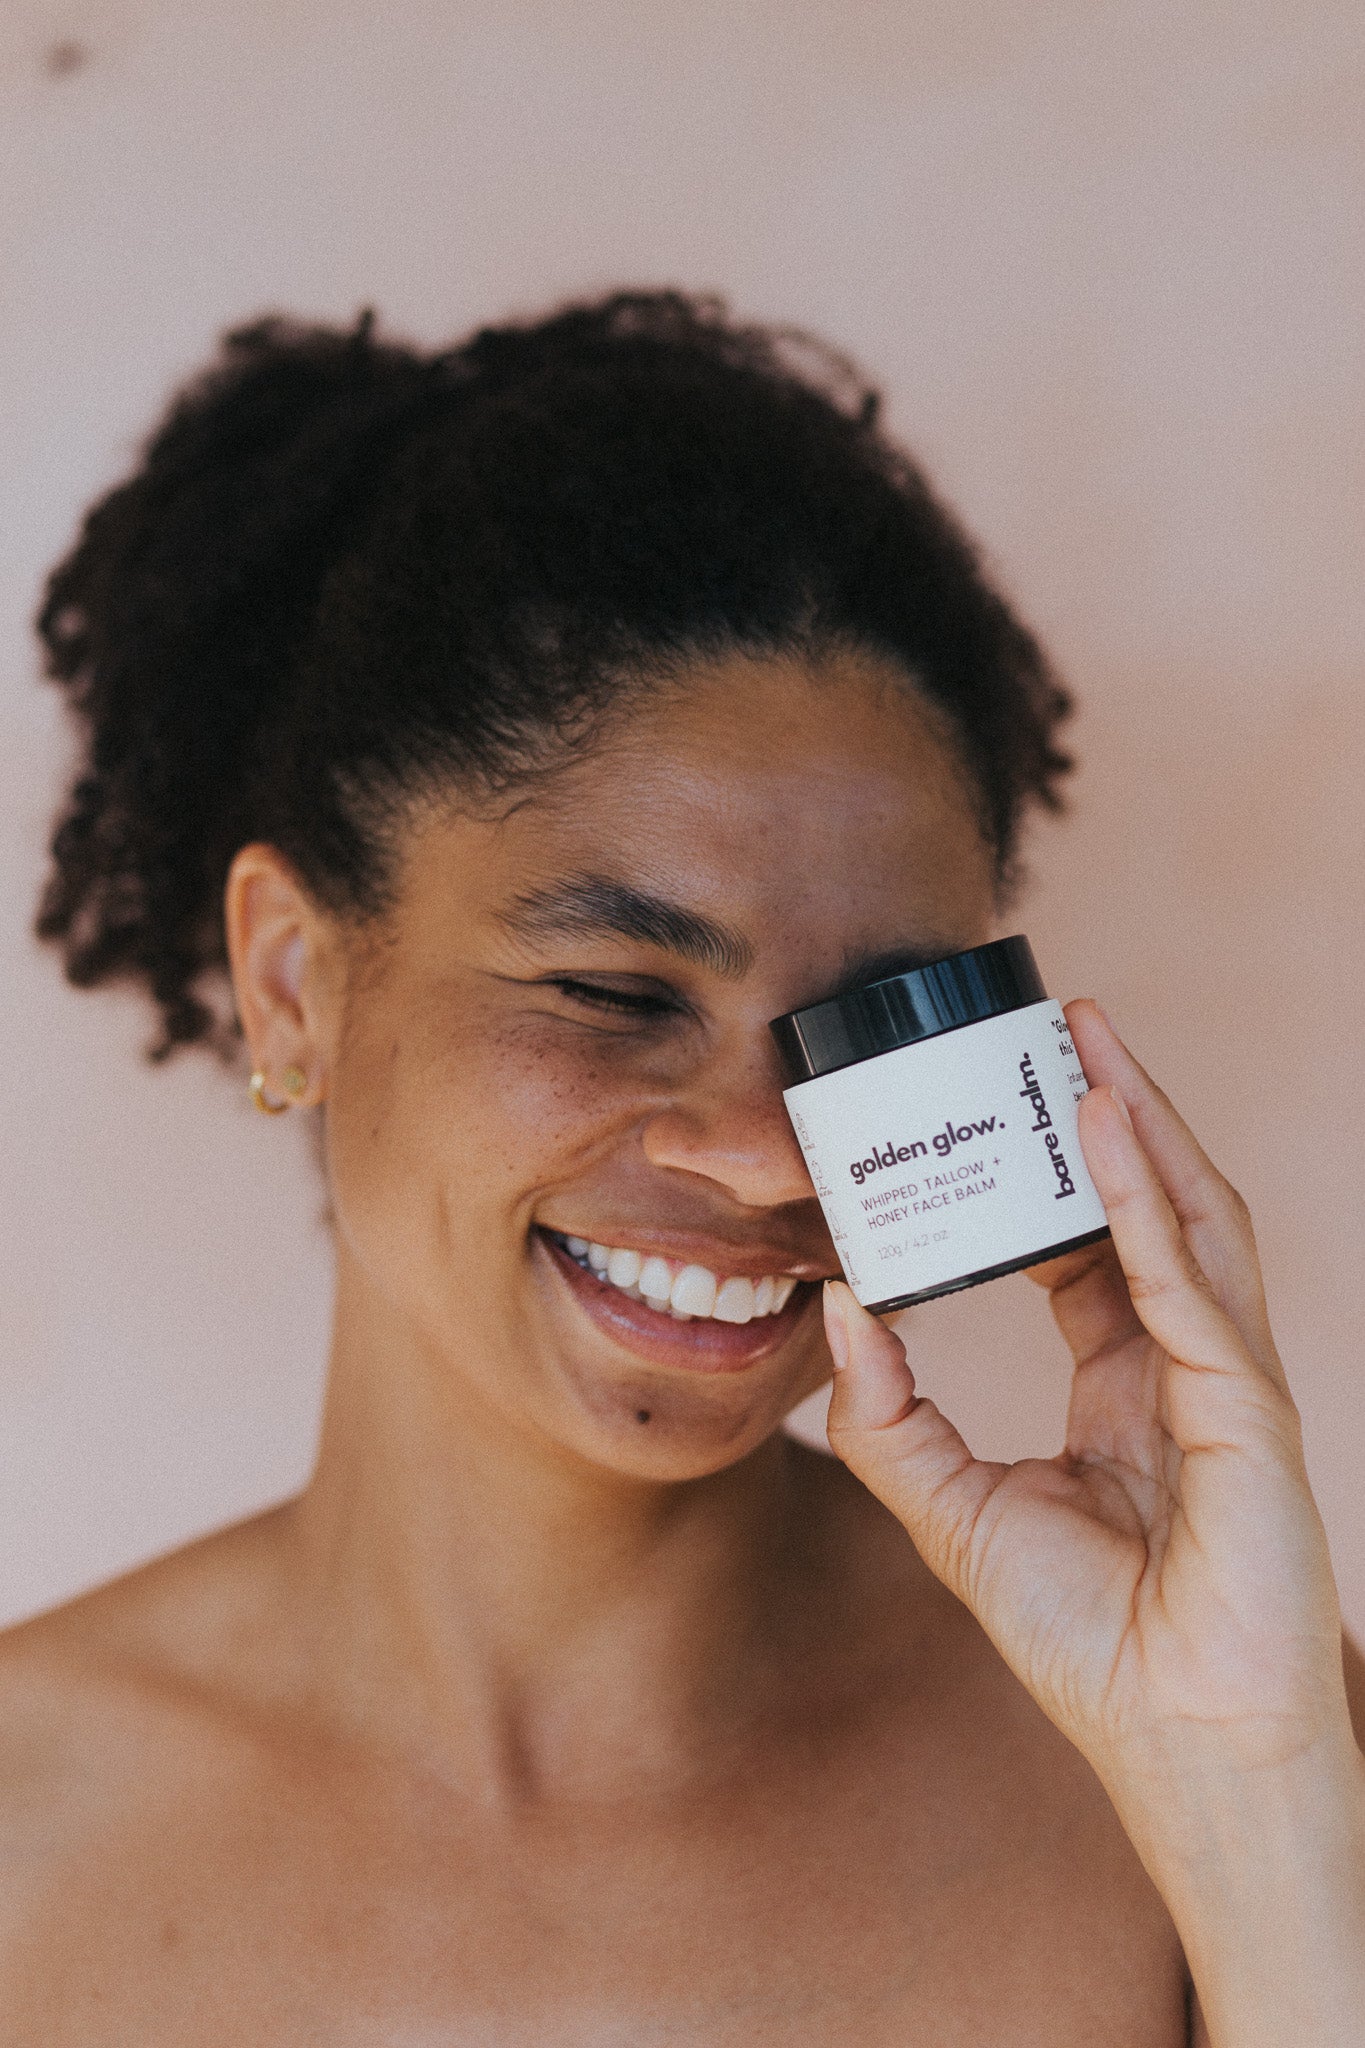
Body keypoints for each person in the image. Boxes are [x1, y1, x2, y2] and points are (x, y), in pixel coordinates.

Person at [1, 290, 1360, 2044]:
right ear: (294, 983)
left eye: (871, 1034)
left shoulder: (1221, 1768)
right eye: (615, 993)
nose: (763, 1162)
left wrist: (1251, 1801)